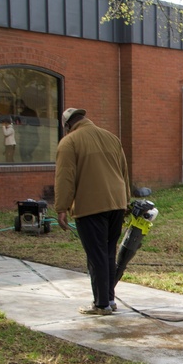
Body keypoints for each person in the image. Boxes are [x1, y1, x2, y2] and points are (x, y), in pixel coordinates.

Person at [54, 108, 132, 315]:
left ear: (67, 126)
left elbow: (65, 178)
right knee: (108, 252)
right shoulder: (111, 138)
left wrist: (61, 208)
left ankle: (101, 304)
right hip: (117, 203)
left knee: (96, 255)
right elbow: (124, 171)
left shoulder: (69, 142)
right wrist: (127, 200)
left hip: (91, 206)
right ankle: (109, 299)